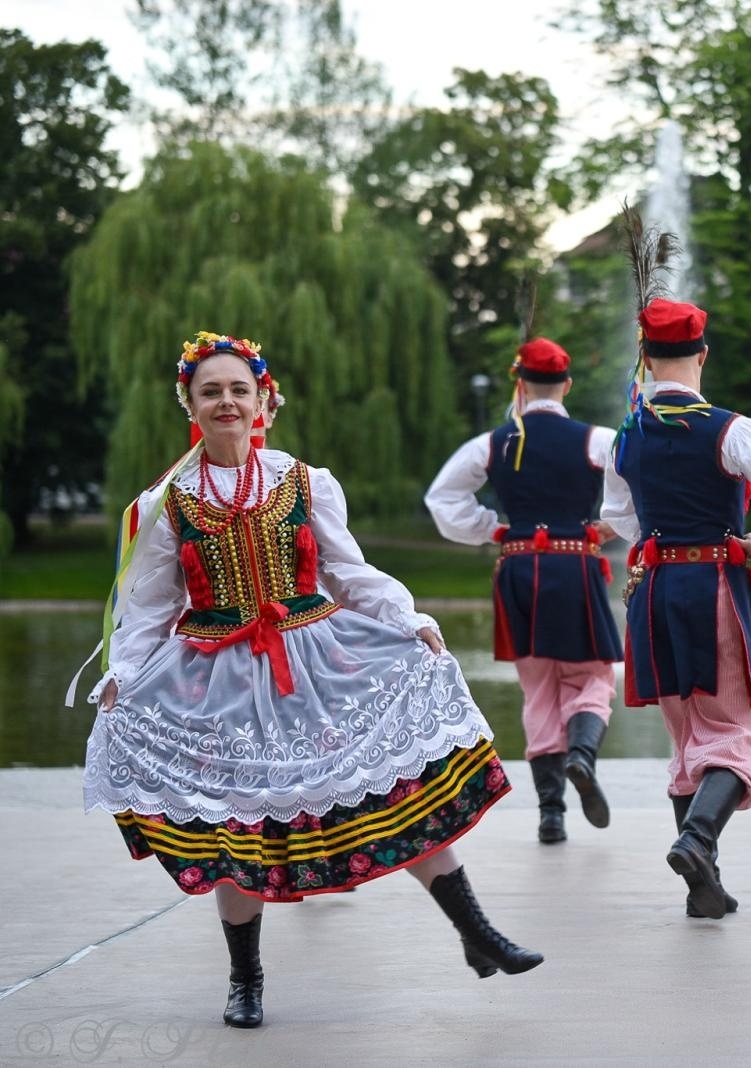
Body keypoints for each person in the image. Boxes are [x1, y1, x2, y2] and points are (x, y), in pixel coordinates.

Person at [82, 332, 541, 1030]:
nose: (227, 401)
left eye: (239, 389)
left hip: (316, 664)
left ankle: (478, 933)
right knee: (238, 828)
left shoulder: (303, 480)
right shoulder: (164, 504)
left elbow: (347, 571)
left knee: (395, 795)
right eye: (212, 391)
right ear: (191, 404)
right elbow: (150, 607)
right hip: (218, 681)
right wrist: (122, 673)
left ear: (264, 398)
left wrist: (406, 615)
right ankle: (245, 979)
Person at [601, 298, 751, 919]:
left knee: (688, 734)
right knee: (736, 731)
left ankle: (704, 889)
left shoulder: (627, 437)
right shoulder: (729, 429)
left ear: (643, 357)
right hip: (714, 585)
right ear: (702, 353)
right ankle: (697, 840)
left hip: (652, 592)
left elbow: (619, 516)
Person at [426, 338, 622, 845]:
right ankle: (582, 755)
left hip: (518, 570)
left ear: (520, 385)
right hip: (574, 566)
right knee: (593, 678)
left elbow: (443, 499)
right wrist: (612, 526)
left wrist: (493, 529)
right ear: (568, 385)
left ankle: (550, 814)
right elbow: (635, 492)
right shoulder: (597, 440)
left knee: (538, 690)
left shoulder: (491, 444)